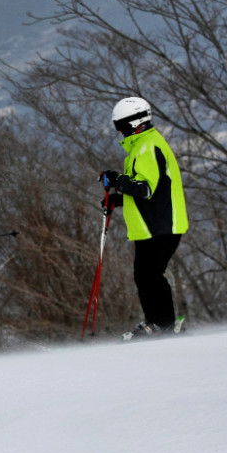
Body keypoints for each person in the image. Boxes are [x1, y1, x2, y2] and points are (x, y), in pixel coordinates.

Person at [99, 97, 188, 340]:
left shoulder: (148, 146)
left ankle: (160, 324)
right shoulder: (143, 145)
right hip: (153, 225)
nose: (119, 131)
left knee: (148, 274)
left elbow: (145, 188)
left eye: (121, 125)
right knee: (148, 274)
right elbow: (146, 192)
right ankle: (161, 323)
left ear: (134, 123)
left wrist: (117, 180)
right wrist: (116, 200)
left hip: (160, 226)